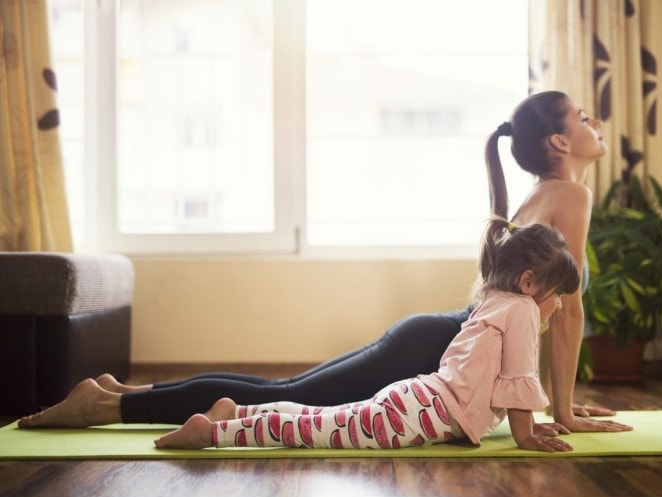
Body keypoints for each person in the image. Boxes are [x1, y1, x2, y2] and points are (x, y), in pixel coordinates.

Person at [19, 91, 630, 435]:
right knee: (286, 394)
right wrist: (566, 412)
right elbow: (566, 315)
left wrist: (559, 403)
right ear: (558, 141)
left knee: (281, 390)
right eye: (582, 118)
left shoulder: (537, 196)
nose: (594, 123)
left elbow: (534, 319)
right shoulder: (570, 195)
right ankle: (105, 407)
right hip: (433, 344)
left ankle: (118, 392)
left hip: (434, 334)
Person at [154, 222, 586, 452]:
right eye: (558, 296)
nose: (560, 306)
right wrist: (526, 436)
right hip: (422, 415)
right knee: (318, 431)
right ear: (529, 283)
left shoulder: (494, 297)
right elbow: (517, 381)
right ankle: (213, 435)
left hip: (417, 398)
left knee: (324, 416)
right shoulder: (524, 310)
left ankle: (238, 409)